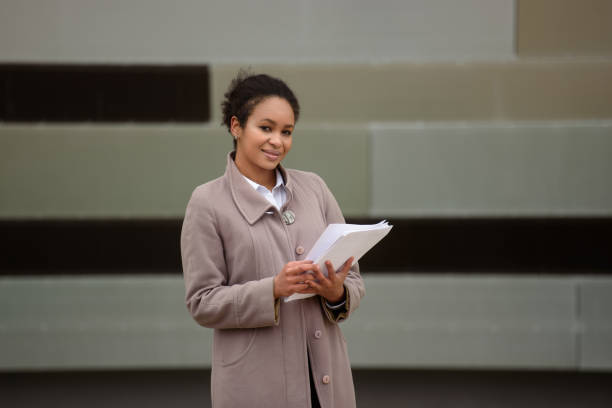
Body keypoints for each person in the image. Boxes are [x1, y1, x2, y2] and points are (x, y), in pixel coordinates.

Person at [180, 71, 365, 408]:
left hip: (326, 381)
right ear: (236, 126)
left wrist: (334, 290)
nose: (277, 141)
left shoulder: (315, 188)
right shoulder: (207, 202)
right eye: (265, 128)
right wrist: (273, 290)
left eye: (287, 132)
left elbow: (353, 281)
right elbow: (202, 302)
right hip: (255, 388)